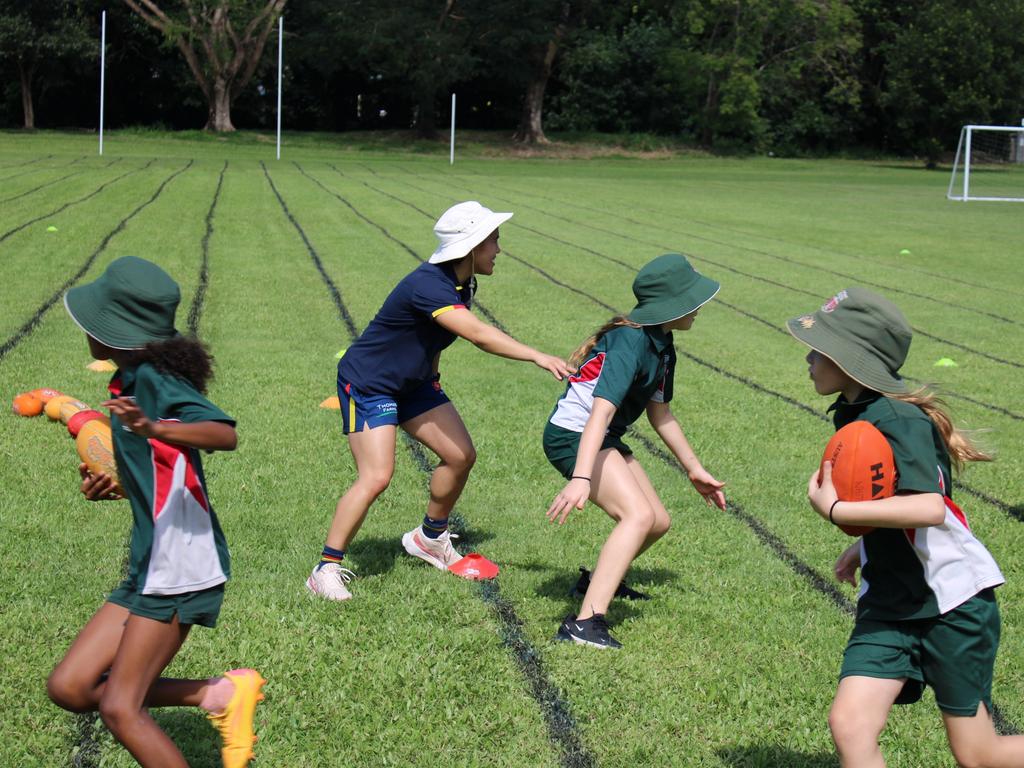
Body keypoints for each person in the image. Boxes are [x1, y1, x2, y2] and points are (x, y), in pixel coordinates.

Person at [788, 287, 1021, 768]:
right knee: (850, 725)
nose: (809, 358)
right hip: (890, 603)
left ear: (851, 359)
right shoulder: (856, 414)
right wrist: (867, 546)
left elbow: (929, 509)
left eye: (820, 349)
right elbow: (889, 500)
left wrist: (838, 513)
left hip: (951, 604)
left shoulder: (897, 418)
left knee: (980, 755)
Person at [48, 256, 264, 768]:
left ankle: (220, 696)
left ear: (118, 334)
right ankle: (219, 695)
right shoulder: (127, 380)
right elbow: (161, 473)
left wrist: (154, 427)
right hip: (149, 562)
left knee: (122, 709)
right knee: (72, 687)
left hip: (180, 565)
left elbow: (222, 433)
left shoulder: (154, 382)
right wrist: (119, 484)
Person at [307, 201, 573, 601]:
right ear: (470, 247)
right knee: (377, 476)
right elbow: (478, 335)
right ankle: (325, 569)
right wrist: (537, 355)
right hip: (369, 384)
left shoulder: (463, 283)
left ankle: (430, 538)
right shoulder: (428, 285)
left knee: (461, 455)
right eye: (493, 241)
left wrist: (431, 375)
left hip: (414, 383)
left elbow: (431, 336)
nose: (499, 249)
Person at [544, 253, 727, 649]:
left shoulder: (662, 343)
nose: (699, 308)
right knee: (637, 515)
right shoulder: (631, 340)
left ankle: (597, 581)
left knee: (657, 521)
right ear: (670, 304)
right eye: (693, 300)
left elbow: (660, 412)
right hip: (574, 435)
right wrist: (580, 476)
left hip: (601, 434)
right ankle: (585, 623)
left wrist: (694, 469)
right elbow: (600, 411)